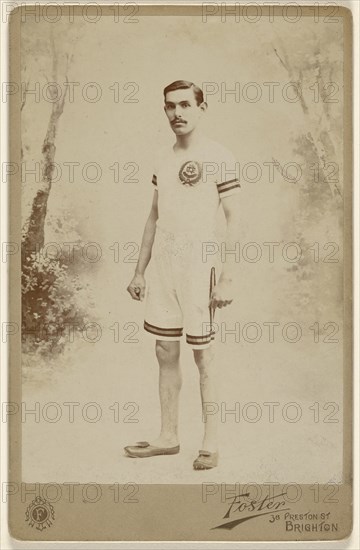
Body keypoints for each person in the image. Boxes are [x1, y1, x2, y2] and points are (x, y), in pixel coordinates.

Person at [125, 80, 241, 469]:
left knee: (202, 354)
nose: (178, 113)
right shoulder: (162, 157)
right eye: (170, 107)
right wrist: (139, 270)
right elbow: (154, 216)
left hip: (200, 261)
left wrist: (227, 277)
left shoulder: (219, 155)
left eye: (185, 105)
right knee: (164, 350)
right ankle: (169, 436)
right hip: (164, 264)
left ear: (201, 108)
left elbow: (235, 218)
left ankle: (211, 442)